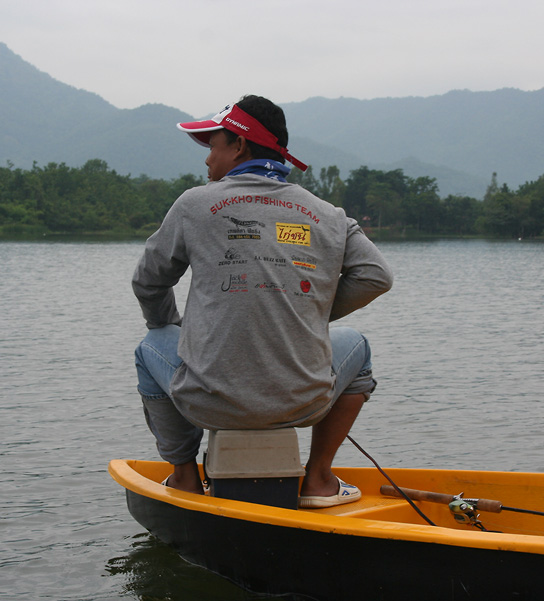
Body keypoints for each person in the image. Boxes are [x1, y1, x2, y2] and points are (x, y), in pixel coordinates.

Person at [132, 95, 393, 508]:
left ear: (239, 146)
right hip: (305, 403)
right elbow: (377, 277)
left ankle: (183, 477)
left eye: (213, 146)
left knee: (150, 346)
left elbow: (147, 282)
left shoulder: (195, 204)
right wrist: (308, 313)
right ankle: (319, 479)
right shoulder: (328, 214)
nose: (207, 161)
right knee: (356, 346)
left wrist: (176, 329)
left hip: (207, 402)